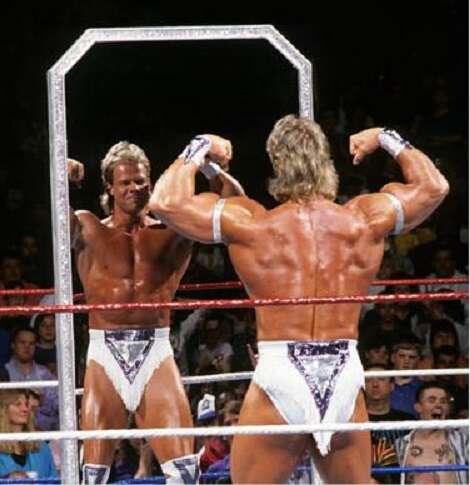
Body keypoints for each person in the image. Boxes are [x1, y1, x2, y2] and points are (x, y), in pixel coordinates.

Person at [149, 116, 449, 483]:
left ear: (277, 163)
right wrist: (385, 137)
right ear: (324, 159)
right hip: (342, 371)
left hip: (283, 371)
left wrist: (201, 146)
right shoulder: (364, 219)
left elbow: (165, 201)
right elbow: (434, 186)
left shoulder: (253, 224)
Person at [67, 140, 242, 484]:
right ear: (109, 187)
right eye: (125, 183)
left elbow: (234, 207)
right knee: (93, 475)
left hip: (156, 350)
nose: (134, 189)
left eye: (140, 181)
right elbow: (52, 220)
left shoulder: (174, 230)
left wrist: (208, 164)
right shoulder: (88, 227)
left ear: (151, 183)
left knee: (185, 472)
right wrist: (62, 174)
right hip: (104, 352)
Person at [395, 381, 469, 484]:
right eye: (432, 400)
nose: (438, 405)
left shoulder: (463, 442)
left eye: (443, 401)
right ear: (418, 407)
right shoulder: (401, 445)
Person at [5, 327, 59, 431]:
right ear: (13, 345)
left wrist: (41, 402)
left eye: (31, 343)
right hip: (12, 432)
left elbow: (58, 405)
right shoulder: (4, 373)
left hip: (46, 433)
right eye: (22, 342)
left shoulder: (45, 374)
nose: (27, 347)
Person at [0, 389, 57, 480]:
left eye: (26, 404)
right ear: (3, 409)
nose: (25, 409)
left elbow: (54, 480)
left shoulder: (41, 446)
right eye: (18, 404)